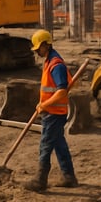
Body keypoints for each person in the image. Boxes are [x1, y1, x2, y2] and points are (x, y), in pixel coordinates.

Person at [24, 29, 78, 192]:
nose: (37, 52)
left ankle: (40, 181)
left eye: (38, 49)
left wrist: (45, 105)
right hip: (51, 112)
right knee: (59, 144)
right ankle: (69, 176)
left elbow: (62, 91)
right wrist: (41, 103)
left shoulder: (56, 65)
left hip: (55, 114)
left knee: (45, 145)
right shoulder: (49, 61)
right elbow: (49, 88)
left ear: (45, 45)